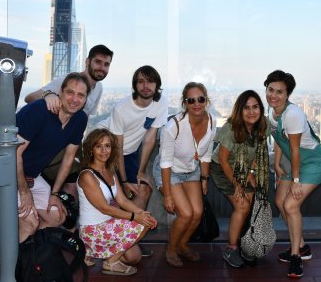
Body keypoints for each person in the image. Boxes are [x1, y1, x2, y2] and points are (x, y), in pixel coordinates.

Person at [0, 73, 90, 242]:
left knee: (56, 216)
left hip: (29, 173)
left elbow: (69, 159)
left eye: (81, 95)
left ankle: (31, 255)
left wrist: (55, 193)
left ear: (85, 99)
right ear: (60, 92)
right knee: (29, 222)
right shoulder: (38, 111)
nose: (74, 99)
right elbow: (15, 153)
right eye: (70, 92)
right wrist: (25, 192)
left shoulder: (80, 119)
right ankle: (16, 267)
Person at [24, 44, 113, 196]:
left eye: (106, 64)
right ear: (87, 61)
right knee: (68, 186)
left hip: (71, 141)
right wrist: (48, 95)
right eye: (97, 62)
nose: (102, 68)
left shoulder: (99, 88)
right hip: (51, 140)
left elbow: (84, 119)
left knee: (75, 187)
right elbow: (29, 98)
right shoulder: (70, 80)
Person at [97, 65, 168, 256]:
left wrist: (140, 172)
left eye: (150, 81)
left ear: (157, 85)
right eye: (140, 81)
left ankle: (129, 239)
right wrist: (124, 180)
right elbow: (117, 147)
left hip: (129, 153)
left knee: (143, 187)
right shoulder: (122, 108)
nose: (145, 86)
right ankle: (114, 243)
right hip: (106, 149)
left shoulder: (161, 103)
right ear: (135, 85)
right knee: (115, 195)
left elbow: (150, 140)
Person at [264, 70, 321, 278]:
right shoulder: (272, 112)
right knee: (281, 202)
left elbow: (296, 148)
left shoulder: (292, 114)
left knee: (291, 205)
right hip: (292, 162)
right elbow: (280, 139)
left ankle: (295, 256)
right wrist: (276, 162)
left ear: (287, 94)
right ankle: (301, 246)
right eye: (270, 89)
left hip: (311, 162)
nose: (273, 95)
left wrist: (297, 181)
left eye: (279, 92)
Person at [153, 82, 216, 267]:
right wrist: (168, 194)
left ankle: (182, 244)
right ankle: (171, 249)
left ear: (206, 100)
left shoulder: (212, 121)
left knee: (197, 213)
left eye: (200, 99)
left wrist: (204, 178)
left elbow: (206, 153)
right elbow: (165, 161)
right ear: (184, 103)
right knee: (186, 214)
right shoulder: (173, 127)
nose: (196, 104)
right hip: (169, 171)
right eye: (191, 100)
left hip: (192, 170)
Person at [77, 128, 157, 276]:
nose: (104, 150)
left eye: (107, 146)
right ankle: (110, 262)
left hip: (108, 224)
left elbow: (122, 200)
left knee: (134, 258)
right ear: (90, 149)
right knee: (143, 224)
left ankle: (93, 252)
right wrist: (136, 217)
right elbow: (104, 208)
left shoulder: (110, 171)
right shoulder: (87, 175)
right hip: (93, 229)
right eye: (98, 146)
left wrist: (141, 212)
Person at [209, 90, 270, 268]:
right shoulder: (232, 127)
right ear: (239, 110)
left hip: (242, 168)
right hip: (222, 168)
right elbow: (222, 159)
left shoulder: (262, 126)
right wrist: (237, 184)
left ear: (261, 109)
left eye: (255, 107)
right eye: (246, 108)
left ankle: (246, 245)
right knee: (242, 204)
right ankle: (231, 248)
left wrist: (251, 172)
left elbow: (258, 153)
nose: (251, 112)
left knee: (250, 201)